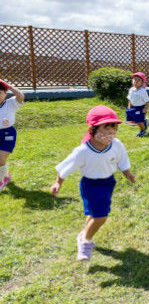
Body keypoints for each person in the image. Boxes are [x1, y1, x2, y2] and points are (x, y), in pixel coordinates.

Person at [51, 106, 136, 261]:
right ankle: (85, 241)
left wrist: (128, 173)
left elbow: (122, 160)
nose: (111, 131)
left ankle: (84, 234)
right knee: (101, 216)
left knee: (93, 214)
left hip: (108, 183)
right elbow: (66, 166)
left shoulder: (117, 145)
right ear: (93, 129)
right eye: (106, 127)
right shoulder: (83, 151)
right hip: (90, 185)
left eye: (114, 127)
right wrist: (58, 183)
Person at [0, 79, 25, 190]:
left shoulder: (10, 103)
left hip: (8, 134)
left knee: (1, 158)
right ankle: (6, 175)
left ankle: (2, 180)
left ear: (5, 93)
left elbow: (21, 97)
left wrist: (10, 86)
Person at [125, 72, 149, 137]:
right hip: (132, 107)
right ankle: (144, 122)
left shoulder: (142, 91)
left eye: (138, 80)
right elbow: (129, 98)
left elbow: (147, 101)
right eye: (134, 79)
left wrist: (145, 108)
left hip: (140, 108)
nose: (135, 81)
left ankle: (143, 131)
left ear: (142, 83)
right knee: (131, 120)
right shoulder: (131, 89)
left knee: (138, 120)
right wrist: (129, 107)